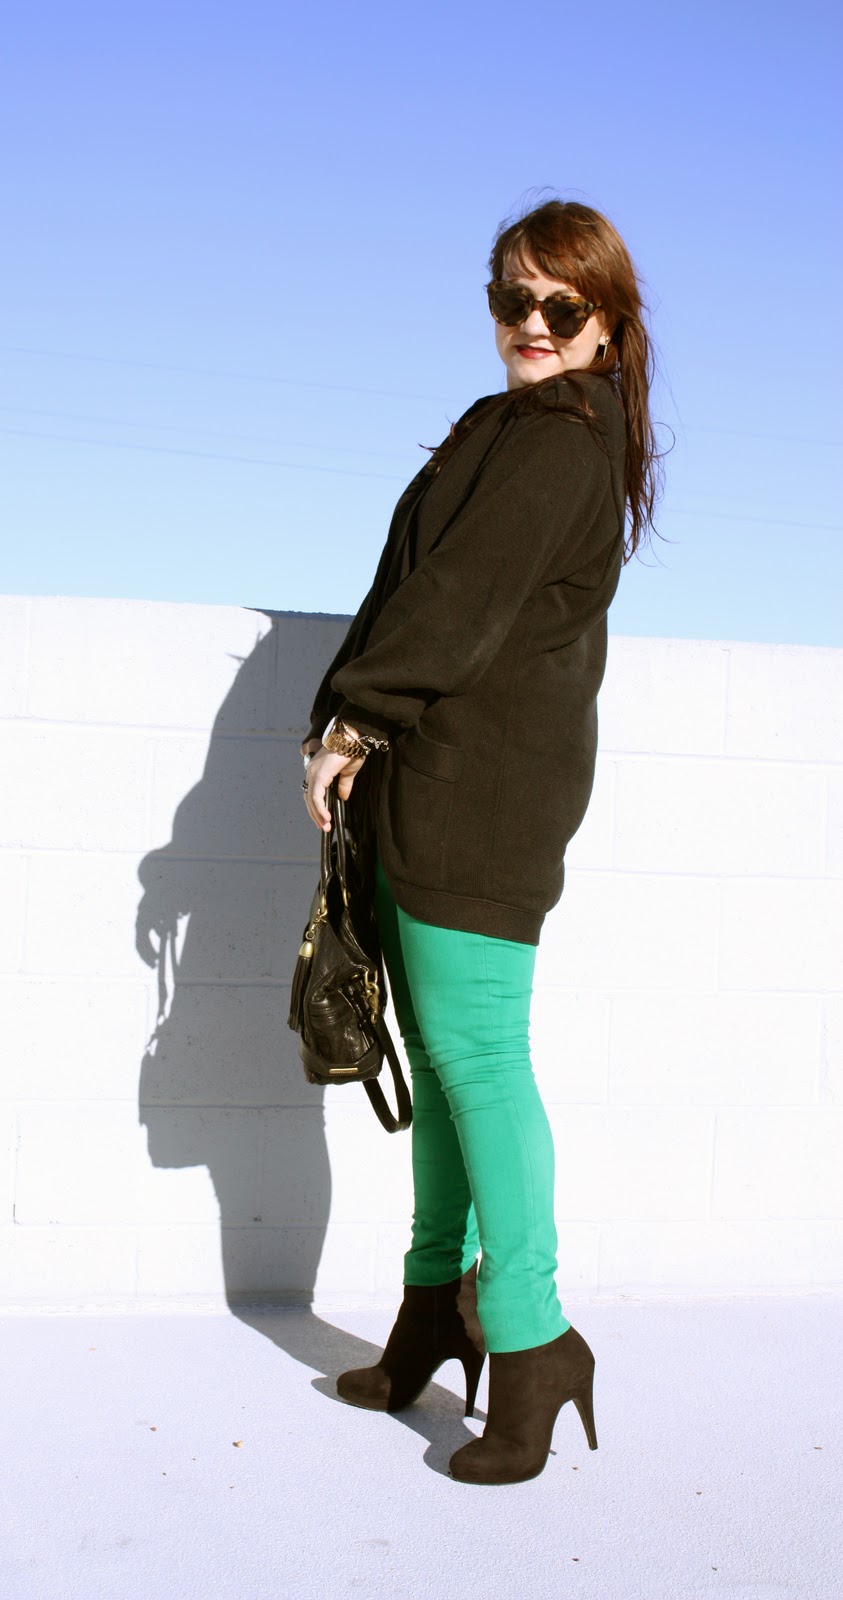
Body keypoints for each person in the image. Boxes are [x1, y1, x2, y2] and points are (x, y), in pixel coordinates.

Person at [299, 198, 661, 1486]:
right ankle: (428, 1313)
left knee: (481, 1061)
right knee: (450, 1068)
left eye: (563, 305)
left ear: (608, 322)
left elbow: (456, 600)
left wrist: (354, 717)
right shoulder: (512, 427)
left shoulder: (562, 439)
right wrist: (355, 726)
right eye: (514, 299)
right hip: (440, 780)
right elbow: (419, 588)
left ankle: (532, 1333)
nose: (533, 323)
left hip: (484, 795)